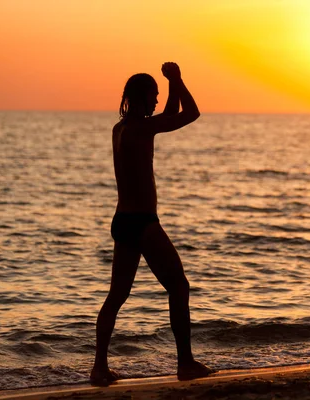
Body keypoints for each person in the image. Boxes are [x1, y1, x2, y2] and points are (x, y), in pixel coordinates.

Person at [90, 62, 214, 385]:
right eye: (154, 96)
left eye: (158, 96)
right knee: (179, 286)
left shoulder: (121, 129)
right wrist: (178, 79)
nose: (158, 102)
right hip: (143, 222)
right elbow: (190, 113)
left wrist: (169, 85)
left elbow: (170, 112)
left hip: (123, 221)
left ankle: (99, 368)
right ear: (141, 97)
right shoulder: (143, 129)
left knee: (116, 296)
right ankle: (185, 363)